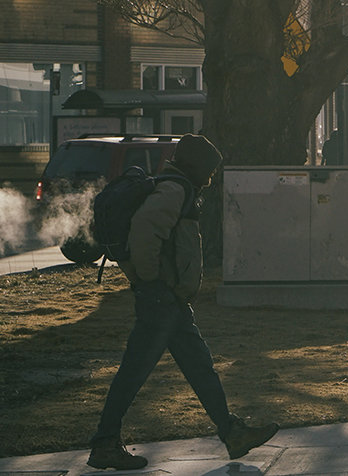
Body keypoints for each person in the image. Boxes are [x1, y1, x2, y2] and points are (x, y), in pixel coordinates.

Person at [87, 134, 279, 470]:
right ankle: (104, 443)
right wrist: (150, 279)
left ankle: (232, 433)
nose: (211, 179)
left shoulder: (176, 186)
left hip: (169, 300)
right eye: (209, 171)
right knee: (134, 372)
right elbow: (145, 231)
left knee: (200, 367)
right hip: (161, 298)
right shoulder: (176, 189)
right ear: (197, 167)